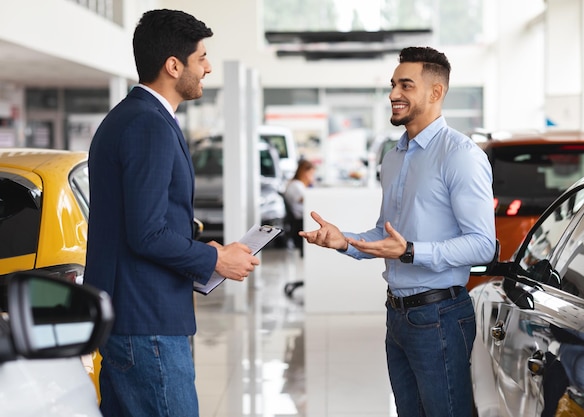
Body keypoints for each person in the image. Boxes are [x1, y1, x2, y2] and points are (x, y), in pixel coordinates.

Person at [300, 46, 496, 417]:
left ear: (436, 93)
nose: (393, 94)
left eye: (406, 85)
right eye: (393, 85)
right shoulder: (395, 156)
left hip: (440, 314)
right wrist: (346, 242)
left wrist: (410, 252)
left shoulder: (460, 155)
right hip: (398, 314)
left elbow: (483, 245)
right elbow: (385, 234)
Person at [84, 9, 260, 417]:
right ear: (173, 65)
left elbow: (146, 222)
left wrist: (203, 249)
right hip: (148, 324)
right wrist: (216, 258)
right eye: (201, 58)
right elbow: (146, 234)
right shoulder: (148, 125)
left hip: (131, 318)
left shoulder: (130, 117)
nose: (208, 67)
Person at [283, 159, 316, 256]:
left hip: (300, 218)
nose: (312, 177)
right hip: (300, 219)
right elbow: (307, 199)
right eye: (311, 174)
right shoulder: (296, 186)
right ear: (305, 172)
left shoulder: (297, 184)